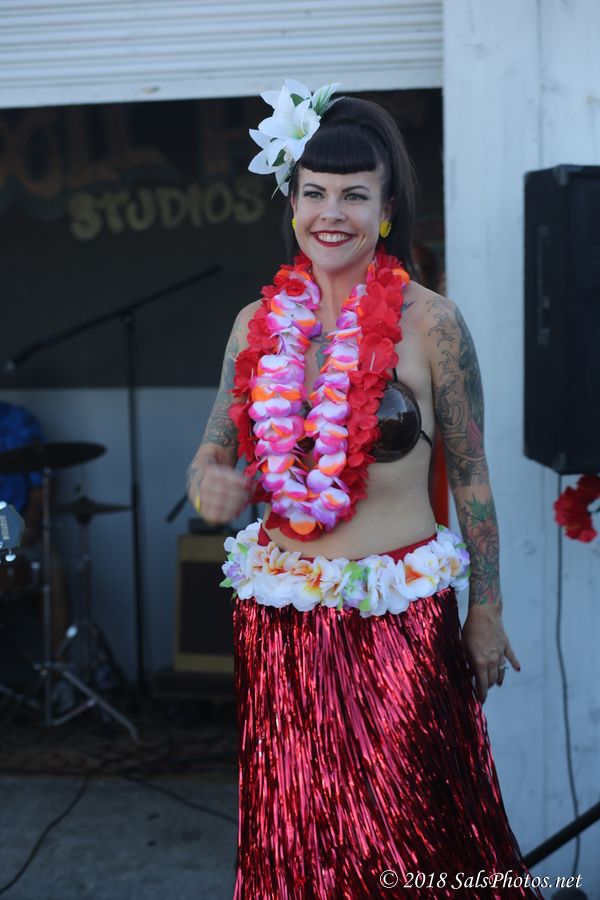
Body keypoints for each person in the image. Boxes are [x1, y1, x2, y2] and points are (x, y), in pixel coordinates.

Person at [187, 81, 542, 898]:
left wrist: (486, 611)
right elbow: (211, 452)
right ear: (292, 205)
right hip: (280, 627)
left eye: (354, 194)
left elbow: (473, 474)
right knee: (298, 839)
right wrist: (210, 485)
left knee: (414, 835)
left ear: (386, 210)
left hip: (399, 629)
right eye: (314, 193)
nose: (331, 213)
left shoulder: (432, 323)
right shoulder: (254, 325)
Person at [0, 401, 70, 657]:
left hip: (14, 529)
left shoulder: (17, 421)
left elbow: (44, 484)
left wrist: (26, 527)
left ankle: (58, 671)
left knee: (54, 574)